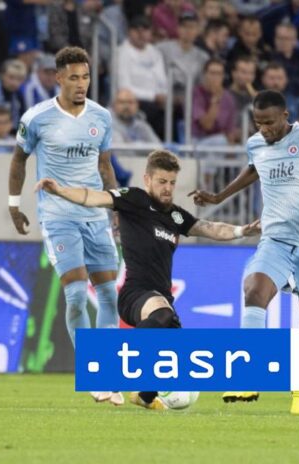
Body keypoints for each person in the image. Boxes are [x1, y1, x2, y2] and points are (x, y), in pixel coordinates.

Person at [35, 149, 261, 410]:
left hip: (161, 300)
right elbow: (94, 197)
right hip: (135, 294)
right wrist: (60, 191)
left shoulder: (175, 216)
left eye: (172, 182)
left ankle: (145, 396)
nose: (168, 188)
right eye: (162, 181)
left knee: (175, 352)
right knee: (162, 314)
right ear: (147, 179)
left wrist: (243, 230)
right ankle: (114, 367)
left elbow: (209, 228)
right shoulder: (135, 200)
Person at [190, 90, 299, 415]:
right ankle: (249, 375)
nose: (264, 130)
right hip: (275, 239)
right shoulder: (256, 143)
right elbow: (253, 168)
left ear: (285, 115)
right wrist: (219, 197)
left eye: (270, 123)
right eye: (258, 123)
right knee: (254, 290)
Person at [7, 46, 121, 405]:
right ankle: (93, 372)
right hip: (57, 216)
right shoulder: (37, 117)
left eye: (85, 77)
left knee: (108, 294)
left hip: (95, 215)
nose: (81, 84)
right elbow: (18, 160)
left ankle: (108, 372)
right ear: (58, 78)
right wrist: (14, 205)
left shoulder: (101, 117)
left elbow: (104, 165)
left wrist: (117, 205)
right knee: (75, 295)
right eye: (74, 77)